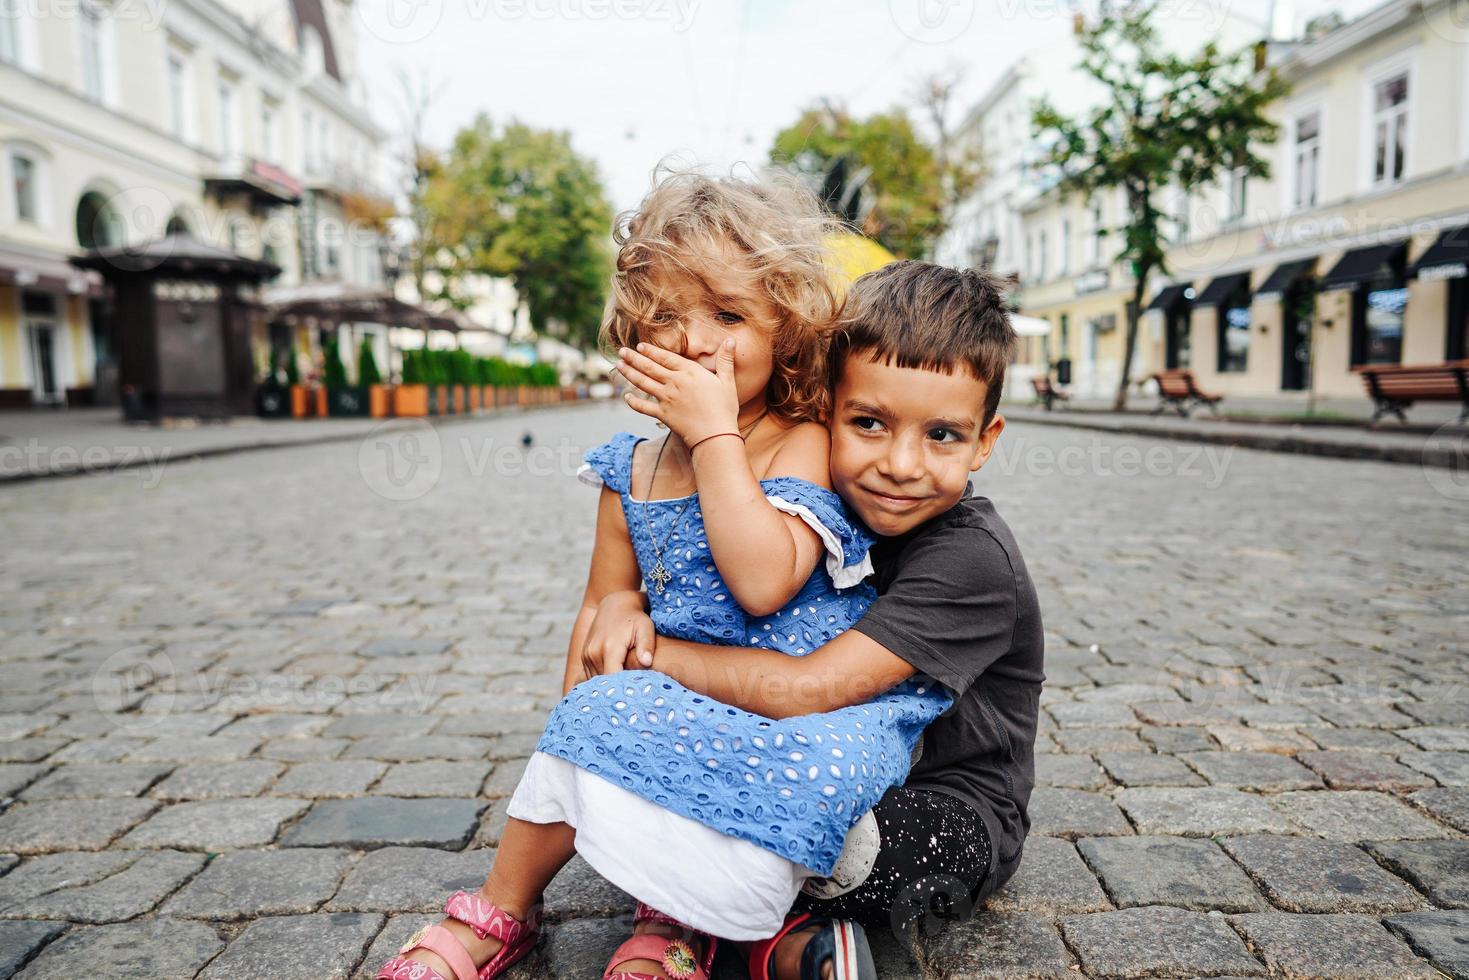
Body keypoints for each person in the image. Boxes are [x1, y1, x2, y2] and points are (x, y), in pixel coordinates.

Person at [376, 172, 951, 980]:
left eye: (727, 315)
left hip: (792, 711)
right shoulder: (631, 471)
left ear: (785, 329)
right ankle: (503, 912)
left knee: (787, 784)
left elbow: (762, 583)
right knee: (594, 717)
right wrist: (591, 686)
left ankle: (676, 924)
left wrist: (716, 437)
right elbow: (596, 611)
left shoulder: (798, 443)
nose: (693, 341)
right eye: (666, 317)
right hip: (675, 698)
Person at [601, 259, 1045, 958]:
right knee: (730, 792)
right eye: (868, 423)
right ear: (822, 409)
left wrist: (640, 656)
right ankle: (767, 924)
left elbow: (807, 689)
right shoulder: (810, 506)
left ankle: (775, 941)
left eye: (942, 436)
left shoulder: (972, 561)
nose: (900, 464)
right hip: (815, 756)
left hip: (939, 801)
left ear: (984, 442)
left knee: (842, 837)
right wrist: (625, 598)